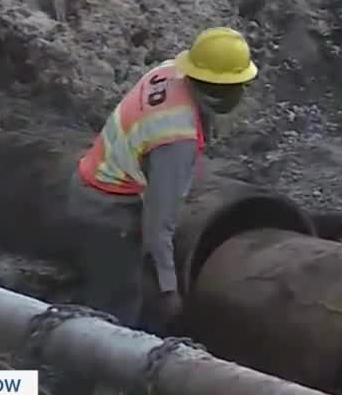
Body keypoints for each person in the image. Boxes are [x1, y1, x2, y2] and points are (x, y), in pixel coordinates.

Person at [67, 27, 257, 335]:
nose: (243, 93)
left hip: (94, 180)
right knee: (116, 313)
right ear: (221, 89)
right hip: (105, 211)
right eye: (239, 86)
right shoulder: (176, 141)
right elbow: (158, 226)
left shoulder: (169, 72)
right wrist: (170, 290)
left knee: (116, 291)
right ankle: (93, 377)